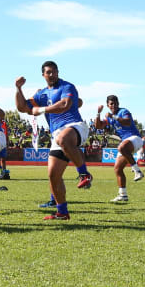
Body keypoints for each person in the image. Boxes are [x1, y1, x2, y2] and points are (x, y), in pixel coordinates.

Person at [15, 61, 91, 220]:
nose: (52, 74)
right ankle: (62, 212)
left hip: (75, 126)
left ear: (58, 72)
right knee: (53, 176)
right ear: (43, 75)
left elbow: (65, 104)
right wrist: (18, 89)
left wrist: (40, 109)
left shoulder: (67, 87)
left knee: (63, 138)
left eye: (54, 71)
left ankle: (84, 174)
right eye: (48, 72)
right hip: (57, 134)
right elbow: (22, 107)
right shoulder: (41, 94)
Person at [94, 95, 144, 204]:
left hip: (135, 138)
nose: (114, 105)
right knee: (117, 169)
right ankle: (123, 195)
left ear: (118, 103)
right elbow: (98, 126)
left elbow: (127, 122)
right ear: (108, 105)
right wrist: (98, 113)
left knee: (121, 147)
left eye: (115, 103)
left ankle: (137, 171)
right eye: (111, 104)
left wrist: (113, 117)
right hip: (126, 142)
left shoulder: (123, 111)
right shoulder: (108, 116)